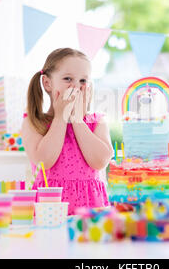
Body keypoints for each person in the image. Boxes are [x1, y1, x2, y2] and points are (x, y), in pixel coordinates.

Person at [21, 48, 114, 215]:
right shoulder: (34, 122)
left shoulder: (96, 121)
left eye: (83, 81)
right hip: (50, 211)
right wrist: (60, 118)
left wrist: (77, 119)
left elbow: (100, 161)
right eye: (68, 79)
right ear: (47, 83)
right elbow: (43, 162)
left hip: (91, 211)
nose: (76, 86)